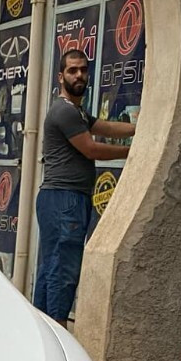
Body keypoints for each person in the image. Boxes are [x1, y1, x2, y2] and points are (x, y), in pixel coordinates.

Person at [33, 49, 135, 327]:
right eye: (72, 70)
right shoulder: (63, 111)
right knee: (62, 271)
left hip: (63, 199)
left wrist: (141, 129)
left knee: (52, 267)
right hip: (64, 199)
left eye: (83, 70)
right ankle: (59, 332)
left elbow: (106, 127)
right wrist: (135, 153)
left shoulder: (76, 112)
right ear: (60, 76)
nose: (79, 75)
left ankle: (43, 329)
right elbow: (91, 149)